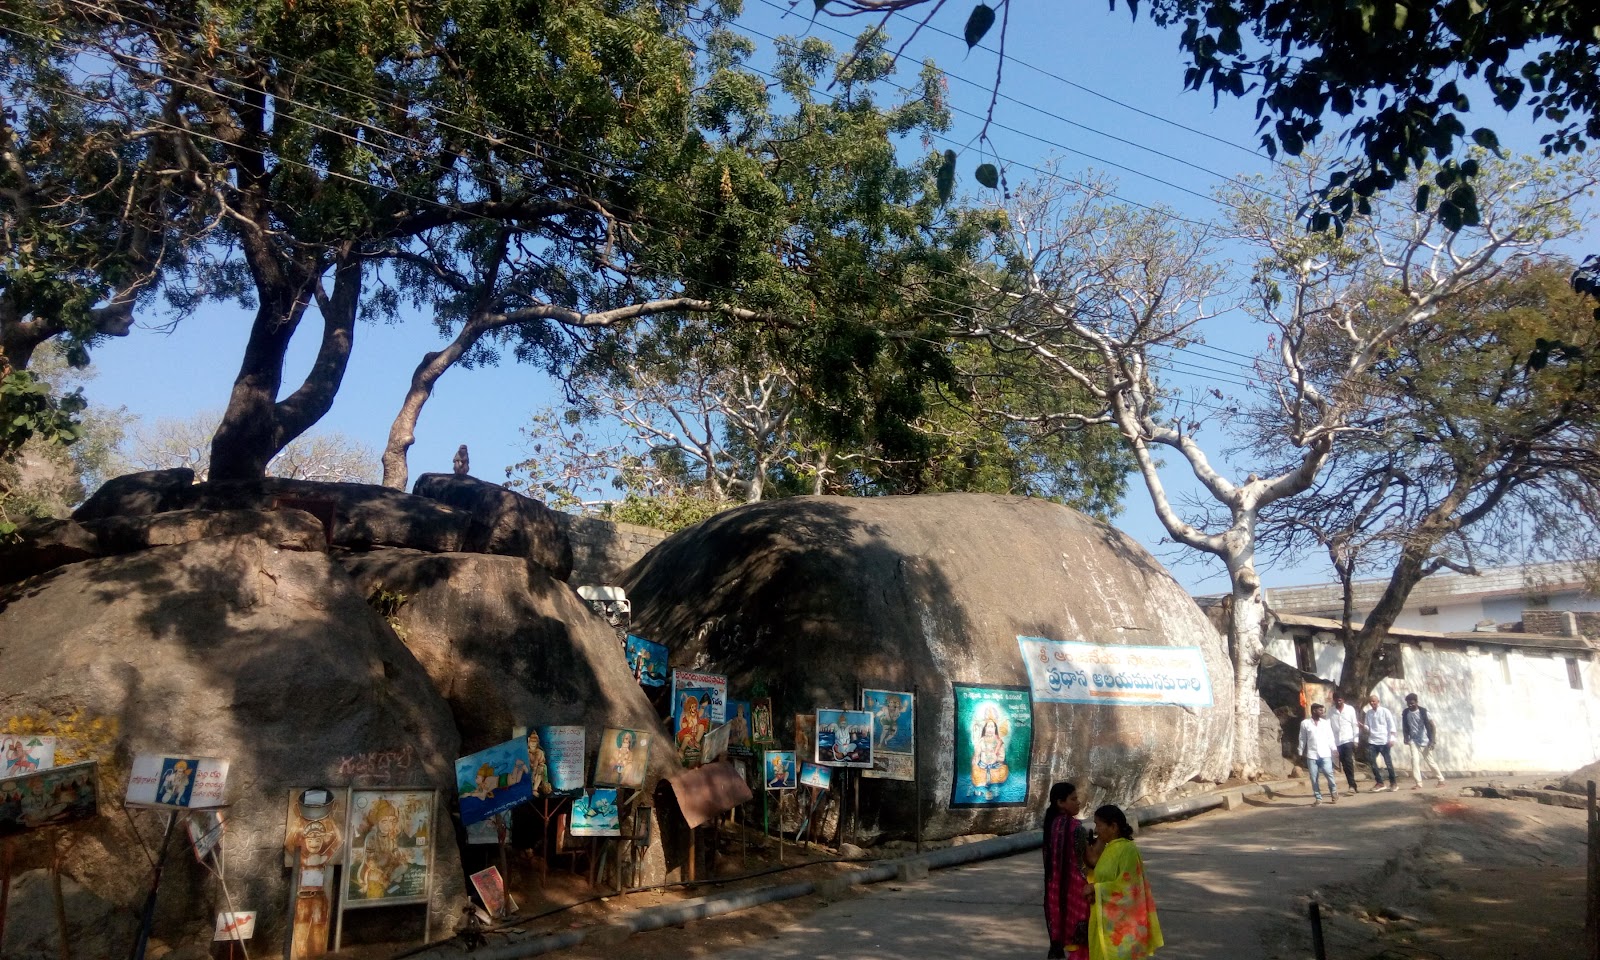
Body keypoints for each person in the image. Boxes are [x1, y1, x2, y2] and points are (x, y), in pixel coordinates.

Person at [1086, 805, 1163, 960]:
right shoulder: (1109, 848)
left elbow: (1128, 888)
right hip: (1102, 918)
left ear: (1113, 827)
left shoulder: (1128, 850)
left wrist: (1096, 888)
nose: (1096, 830)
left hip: (1120, 926)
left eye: (1098, 825)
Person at [1042, 781, 1092, 958]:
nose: (1078, 802)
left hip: (1055, 887)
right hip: (1075, 886)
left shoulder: (1051, 824)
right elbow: (1089, 859)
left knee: (1065, 932)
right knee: (1080, 936)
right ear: (1060, 803)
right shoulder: (1075, 828)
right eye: (1073, 799)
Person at [1401, 693, 1446, 789]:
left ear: (1417, 702)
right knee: (1414, 760)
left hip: (1425, 740)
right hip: (1413, 740)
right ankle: (1418, 783)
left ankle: (1441, 780)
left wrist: (1432, 740)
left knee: (1430, 761)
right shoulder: (1405, 713)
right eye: (1408, 703)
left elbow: (1432, 726)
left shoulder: (1424, 712)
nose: (1410, 705)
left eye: (1412, 703)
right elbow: (1404, 726)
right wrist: (1405, 737)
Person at [1298, 703, 1338, 805]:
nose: (1322, 712)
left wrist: (1334, 748)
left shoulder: (1325, 723)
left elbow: (1330, 737)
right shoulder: (1305, 723)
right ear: (1314, 711)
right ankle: (1318, 797)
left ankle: (1333, 791)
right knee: (1313, 777)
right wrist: (1300, 750)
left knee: (1328, 772)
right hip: (1312, 754)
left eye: (1322, 710)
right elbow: (1302, 738)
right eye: (1320, 710)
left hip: (1325, 753)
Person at [1361, 693, 1398, 792]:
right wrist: (1363, 726)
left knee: (1388, 763)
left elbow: (1391, 725)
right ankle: (1380, 782)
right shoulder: (1369, 713)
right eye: (1370, 702)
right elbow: (1368, 727)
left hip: (1384, 741)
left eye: (1374, 701)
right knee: (1372, 761)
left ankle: (1393, 783)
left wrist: (1392, 739)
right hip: (1373, 741)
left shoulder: (1385, 711)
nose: (1372, 703)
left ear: (1378, 702)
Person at [1329, 692, 1361, 794]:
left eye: (1340, 699)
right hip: (1337, 741)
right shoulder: (1331, 711)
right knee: (1344, 764)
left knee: (1348, 762)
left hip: (1348, 739)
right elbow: (1328, 727)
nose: (1338, 701)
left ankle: (1351, 786)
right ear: (1334, 700)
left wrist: (1355, 741)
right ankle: (1352, 785)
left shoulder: (1350, 709)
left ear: (1343, 699)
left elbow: (1355, 725)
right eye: (1336, 699)